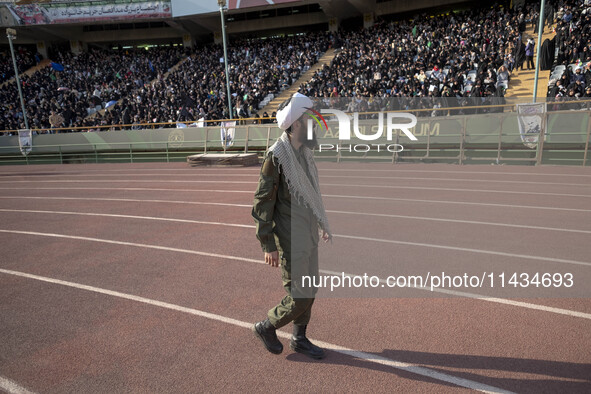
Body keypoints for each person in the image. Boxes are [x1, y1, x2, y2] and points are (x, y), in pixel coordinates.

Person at [251, 92, 332, 359]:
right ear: (296, 124)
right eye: (310, 119)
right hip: (289, 237)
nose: (314, 124)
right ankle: (266, 326)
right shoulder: (277, 157)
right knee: (299, 295)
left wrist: (321, 222)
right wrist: (268, 244)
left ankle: (300, 338)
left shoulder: (304, 154)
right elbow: (262, 202)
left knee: (311, 287)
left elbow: (312, 194)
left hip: (307, 234)